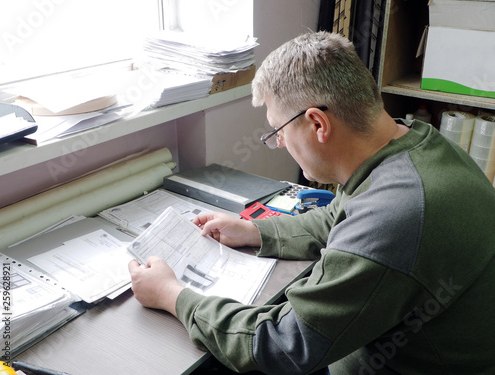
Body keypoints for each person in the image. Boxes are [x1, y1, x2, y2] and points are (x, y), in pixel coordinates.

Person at [128, 31, 495, 374]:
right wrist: (255, 230)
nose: (281, 144)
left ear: (317, 124)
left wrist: (172, 295)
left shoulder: (397, 214)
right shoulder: (416, 144)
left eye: (279, 132)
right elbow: (339, 215)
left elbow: (283, 343)